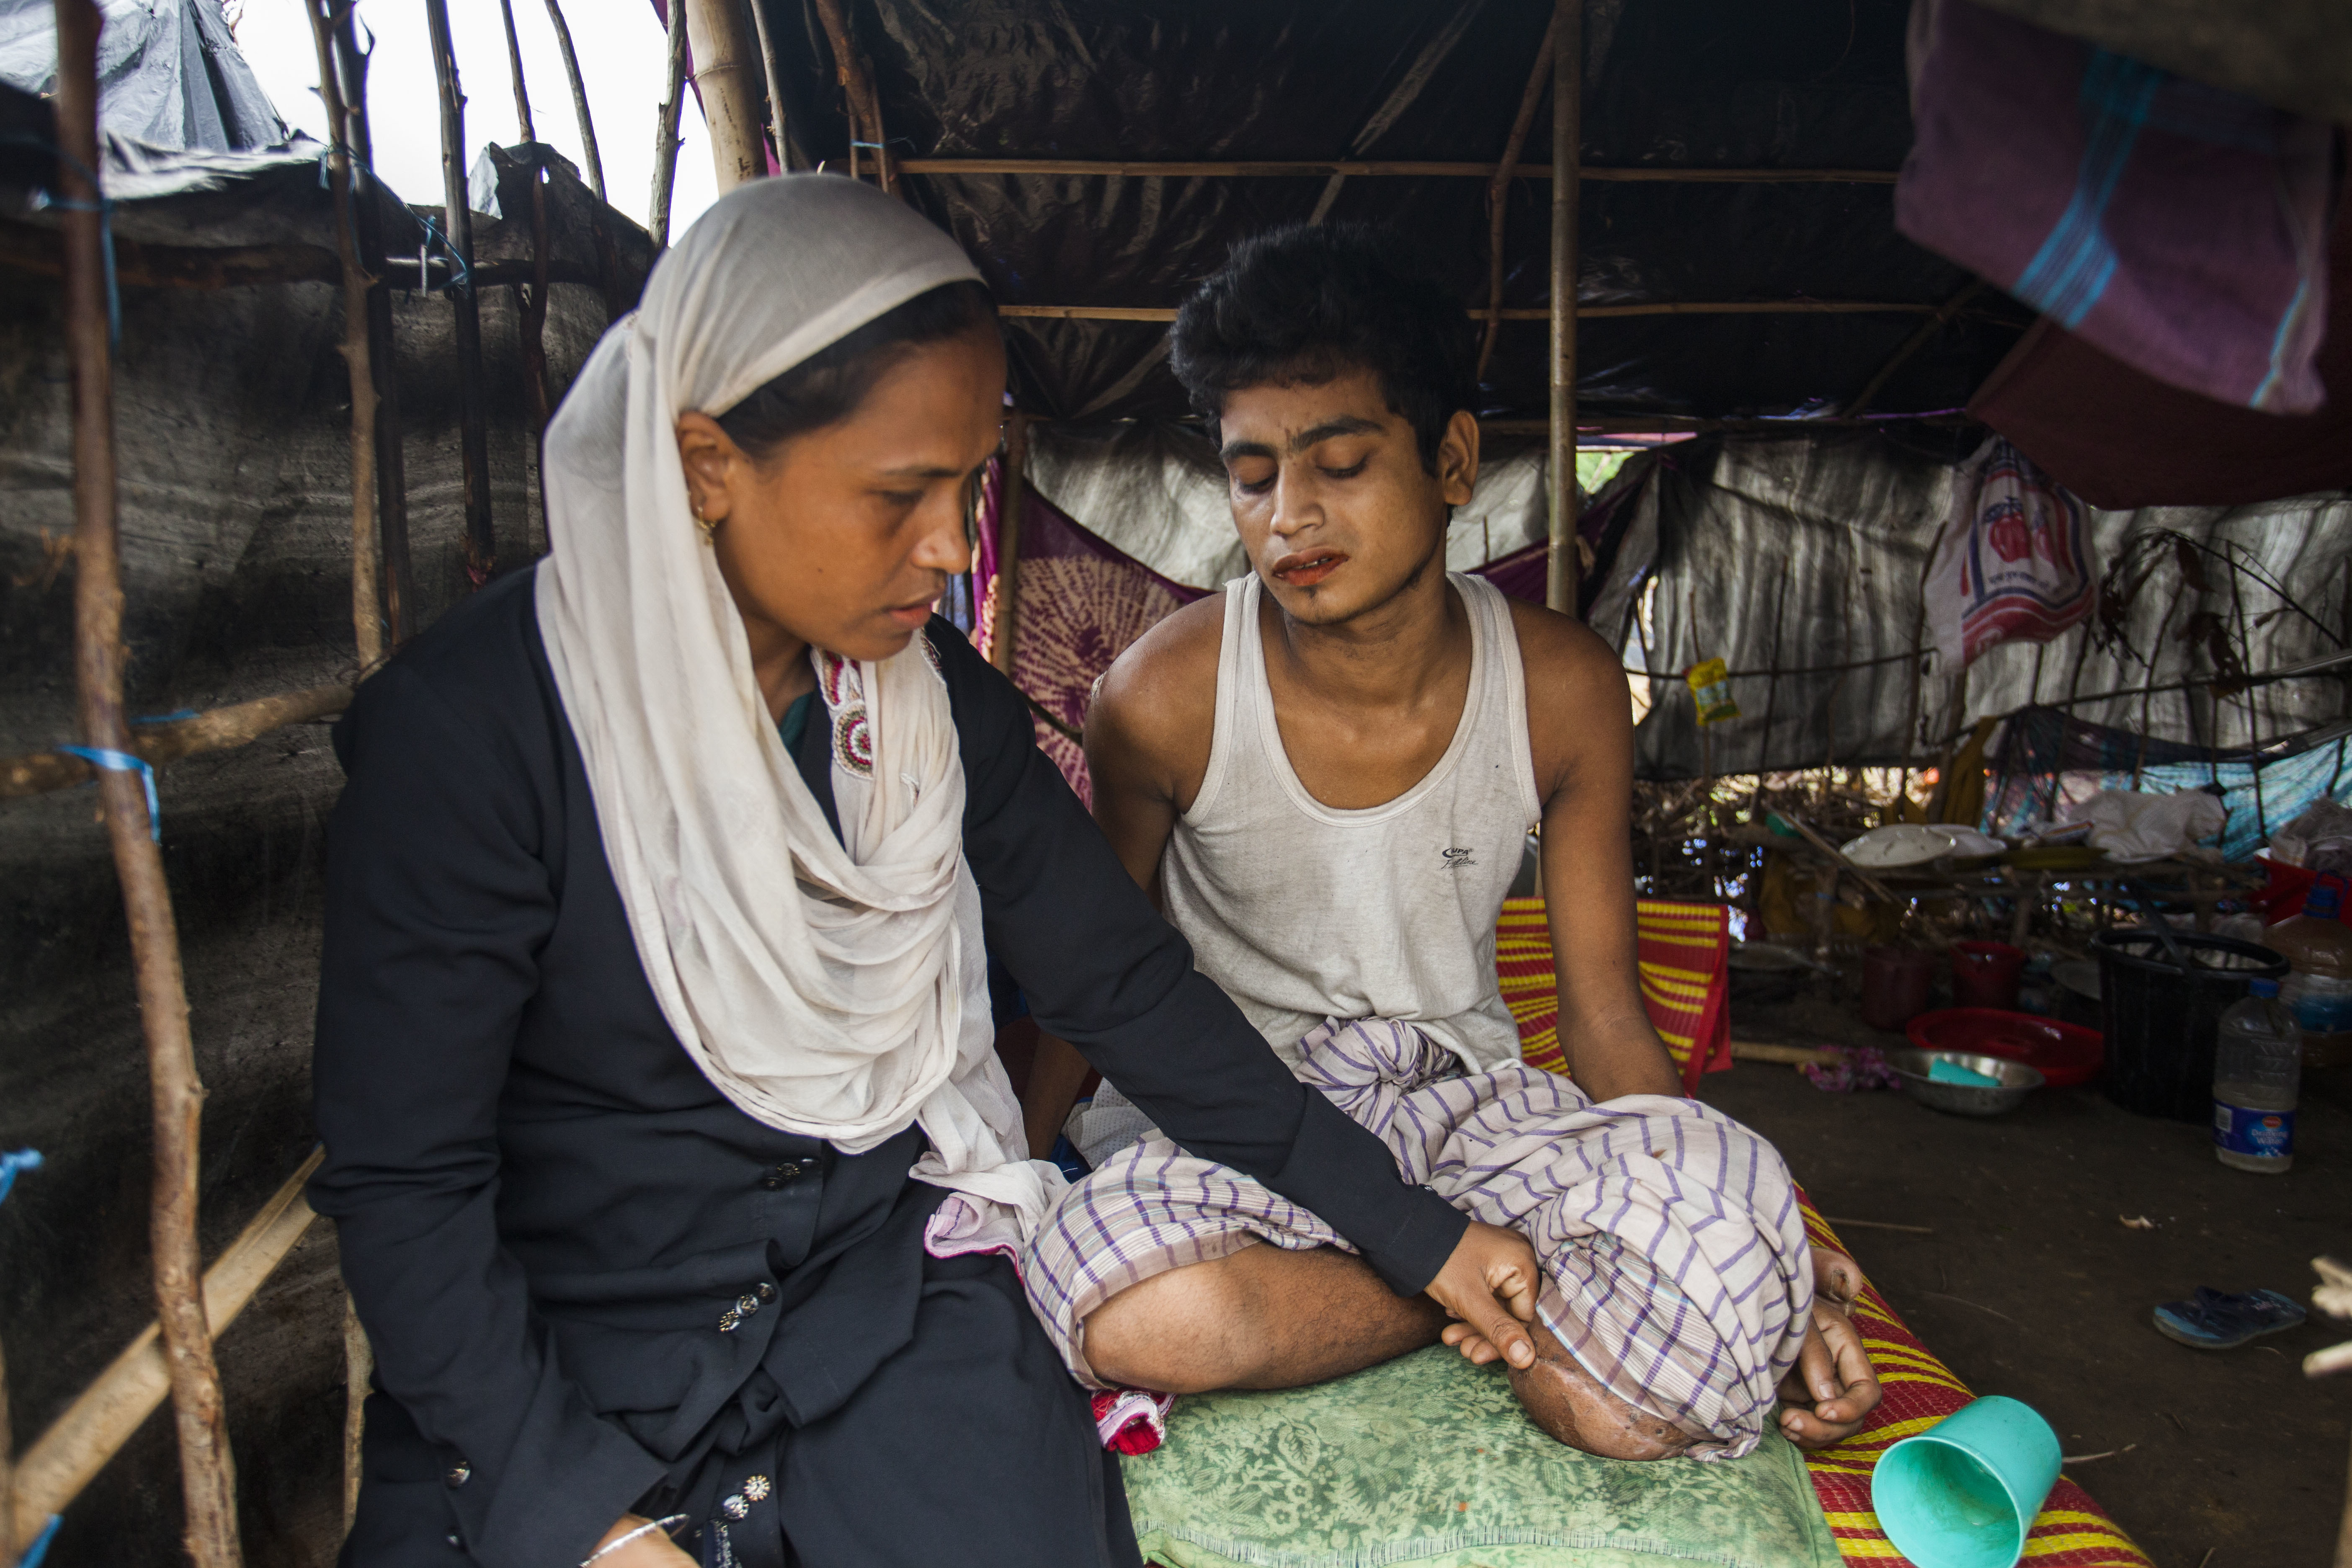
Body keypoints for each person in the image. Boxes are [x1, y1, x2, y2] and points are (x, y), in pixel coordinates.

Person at [309, 180, 1550, 1568]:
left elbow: (1127, 989)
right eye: (902, 495)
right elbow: (407, 1185)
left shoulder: (928, 706)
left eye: (966, 488)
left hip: (874, 1320)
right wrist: (579, 1524)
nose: (955, 550)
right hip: (565, 1356)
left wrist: (1411, 1227)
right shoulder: (473, 738)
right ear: (707, 464)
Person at [1018, 223, 1882, 1462]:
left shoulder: (1561, 687)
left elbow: (1602, 1020)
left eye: (1343, 461)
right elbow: (1088, 987)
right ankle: (1471, 1286)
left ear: (1456, 459)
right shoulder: (1161, 699)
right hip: (1239, 1123)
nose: (1290, 515)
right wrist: (1013, 1173)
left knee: (1645, 1387)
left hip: (1466, 1113)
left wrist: (1762, 1235)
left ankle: (1471, 1273)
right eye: (1252, 474)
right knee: (1142, 1318)